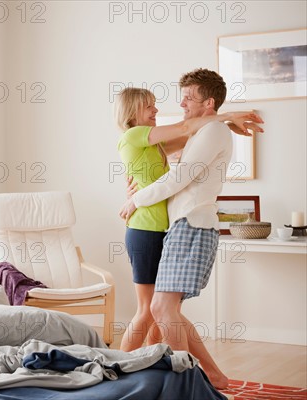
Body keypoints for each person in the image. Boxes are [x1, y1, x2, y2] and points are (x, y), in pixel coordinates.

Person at [119, 68, 264, 389]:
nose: (179, 103)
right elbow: (175, 143)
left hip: (188, 226)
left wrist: (137, 199)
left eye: (189, 98)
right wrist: (225, 117)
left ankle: (188, 378)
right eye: (151, 106)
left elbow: (178, 176)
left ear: (208, 102)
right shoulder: (198, 132)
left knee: (160, 308)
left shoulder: (210, 133)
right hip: (169, 227)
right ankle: (206, 374)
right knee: (161, 309)